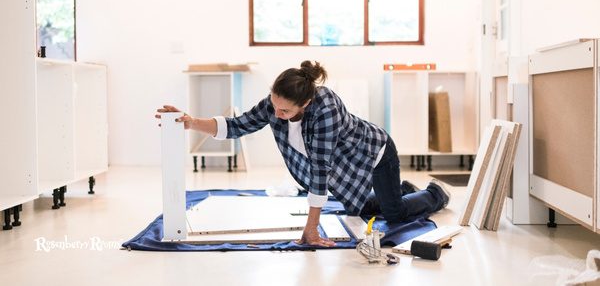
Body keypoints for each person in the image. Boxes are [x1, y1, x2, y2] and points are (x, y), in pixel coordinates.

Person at [156, 61, 450, 247]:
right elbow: (236, 125)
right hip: (345, 166)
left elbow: (320, 171)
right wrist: (191, 122)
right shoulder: (275, 105)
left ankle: (436, 193)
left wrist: (311, 229)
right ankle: (398, 191)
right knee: (359, 210)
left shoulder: (326, 109)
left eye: (285, 110)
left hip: (375, 153)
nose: (277, 114)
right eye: (274, 106)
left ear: (306, 103)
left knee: (394, 215)